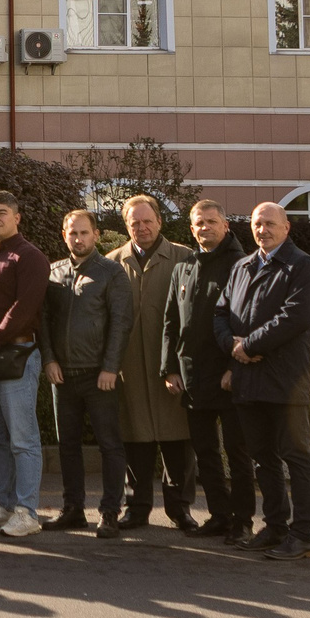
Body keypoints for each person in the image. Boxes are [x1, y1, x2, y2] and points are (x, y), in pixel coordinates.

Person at [224, 201, 310, 560]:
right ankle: (276, 526)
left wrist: (247, 345)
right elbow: (221, 314)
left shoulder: (301, 266)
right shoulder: (242, 267)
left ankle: (302, 535)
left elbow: (294, 317)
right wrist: (234, 347)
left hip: (285, 381)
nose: (262, 230)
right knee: (263, 458)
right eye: (256, 224)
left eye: (269, 223)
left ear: (286, 228)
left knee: (296, 458)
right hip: (249, 380)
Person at [163, 200, 254, 543]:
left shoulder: (240, 266)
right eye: (199, 223)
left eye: (212, 222)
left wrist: (235, 367)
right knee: (206, 454)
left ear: (225, 226)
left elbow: (246, 321)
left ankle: (242, 522)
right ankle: (219, 515)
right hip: (192, 378)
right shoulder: (183, 268)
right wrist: (169, 368)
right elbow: (171, 322)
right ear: (191, 229)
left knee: (238, 453)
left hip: (228, 378)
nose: (205, 228)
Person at [41, 208, 132, 540]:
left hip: (99, 375)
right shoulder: (53, 272)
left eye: (83, 233)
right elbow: (44, 321)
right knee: (68, 445)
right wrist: (49, 360)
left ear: (96, 235)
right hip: (62, 376)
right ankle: (73, 509)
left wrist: (110, 366)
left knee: (110, 444)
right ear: (64, 235)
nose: (77, 238)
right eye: (72, 233)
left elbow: (121, 324)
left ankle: (110, 513)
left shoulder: (111, 273)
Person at [109, 197, 197, 530]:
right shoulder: (113, 262)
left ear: (160, 221)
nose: (142, 228)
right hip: (129, 366)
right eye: (135, 223)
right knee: (136, 440)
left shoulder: (183, 257)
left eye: (148, 222)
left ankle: (180, 508)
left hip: (171, 366)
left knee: (178, 440)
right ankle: (138, 506)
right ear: (126, 226)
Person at [0, 191, 49, 539]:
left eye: (1, 212)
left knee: (23, 439)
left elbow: (25, 307)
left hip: (15, 355)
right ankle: (2, 504)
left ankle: (27, 511)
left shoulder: (30, 257)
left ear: (17, 217)